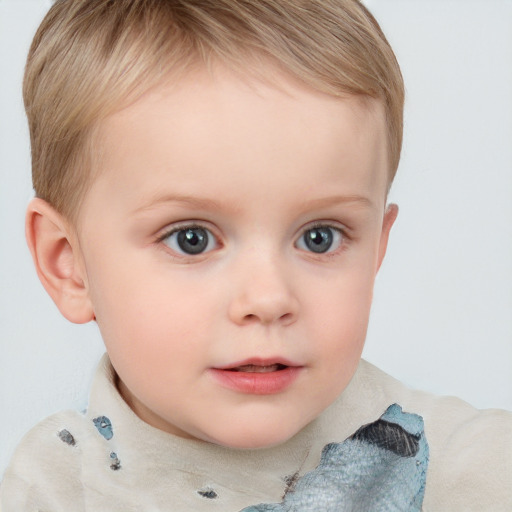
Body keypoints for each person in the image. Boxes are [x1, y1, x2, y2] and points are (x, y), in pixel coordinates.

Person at [1, 0, 510, 510]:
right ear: (68, 264)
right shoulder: (53, 492)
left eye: (320, 237)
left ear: (377, 248)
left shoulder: (473, 469)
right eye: (191, 239)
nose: (268, 299)